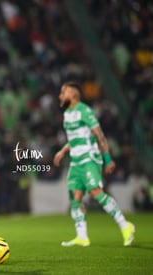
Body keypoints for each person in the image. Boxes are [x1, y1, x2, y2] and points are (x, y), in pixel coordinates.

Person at [53, 81, 135, 247]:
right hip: (75, 162)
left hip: (89, 158)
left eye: (64, 92)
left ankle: (125, 226)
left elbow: (99, 135)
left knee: (95, 192)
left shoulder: (85, 111)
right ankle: (82, 236)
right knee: (75, 198)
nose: (60, 96)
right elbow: (75, 139)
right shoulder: (67, 114)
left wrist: (107, 159)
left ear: (73, 95)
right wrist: (63, 151)